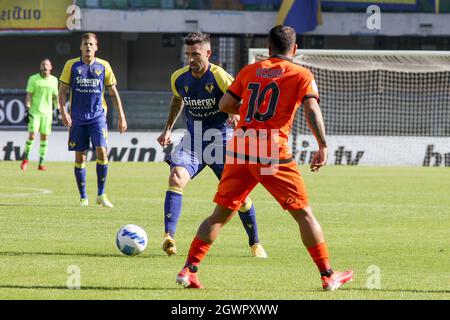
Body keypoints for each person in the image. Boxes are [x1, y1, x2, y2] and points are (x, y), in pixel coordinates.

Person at [175, 25, 353, 291]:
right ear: (295, 49)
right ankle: (328, 274)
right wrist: (323, 145)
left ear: (268, 48)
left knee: (219, 215)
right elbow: (312, 107)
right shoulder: (301, 74)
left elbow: (225, 105)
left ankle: (188, 270)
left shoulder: (249, 71)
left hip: (240, 146)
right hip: (270, 150)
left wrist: (247, 109)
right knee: (303, 214)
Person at [157, 32, 267, 258]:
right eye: (187, 54)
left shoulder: (220, 77)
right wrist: (168, 128)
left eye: (195, 54)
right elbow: (178, 99)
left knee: (240, 196)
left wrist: (236, 115)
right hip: (193, 139)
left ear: (208, 53)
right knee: (176, 177)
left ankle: (255, 243)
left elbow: (242, 102)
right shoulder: (179, 77)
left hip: (221, 140)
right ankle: (169, 237)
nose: (190, 60)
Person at [58, 33, 127, 207]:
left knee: (102, 151)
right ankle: (83, 198)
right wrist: (63, 112)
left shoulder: (104, 66)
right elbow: (62, 91)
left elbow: (113, 93)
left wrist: (121, 116)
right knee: (80, 156)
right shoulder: (71, 65)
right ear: (80, 47)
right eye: (85, 44)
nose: (88, 47)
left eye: (91, 44)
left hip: (97, 117)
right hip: (77, 119)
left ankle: (101, 195)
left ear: (96, 47)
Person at [20, 59, 59, 171]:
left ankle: (41, 163)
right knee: (32, 135)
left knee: (44, 137)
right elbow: (29, 95)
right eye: (43, 64)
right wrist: (27, 110)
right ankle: (25, 160)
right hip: (35, 113)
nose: (45, 66)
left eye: (47, 64)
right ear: (40, 67)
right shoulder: (33, 79)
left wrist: (59, 110)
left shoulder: (54, 80)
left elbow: (55, 97)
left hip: (47, 114)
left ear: (51, 67)